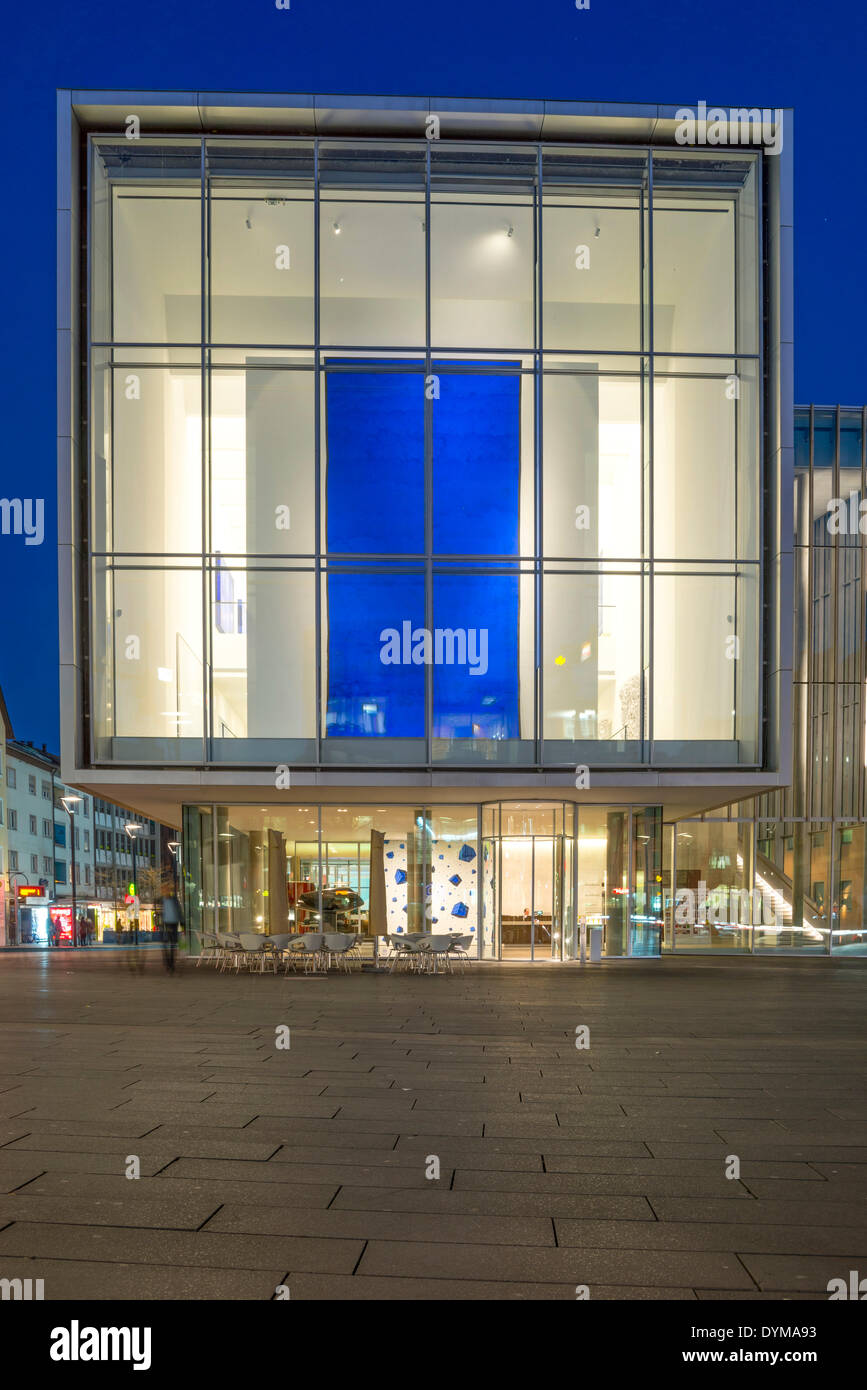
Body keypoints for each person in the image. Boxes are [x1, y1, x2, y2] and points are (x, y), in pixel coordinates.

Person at [161, 894, 184, 973]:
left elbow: (178, 911)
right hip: (168, 923)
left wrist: (181, 923)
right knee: (169, 944)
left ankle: (170, 963)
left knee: (171, 944)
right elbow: (179, 911)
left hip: (172, 923)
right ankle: (169, 962)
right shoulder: (165, 900)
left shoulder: (172, 900)